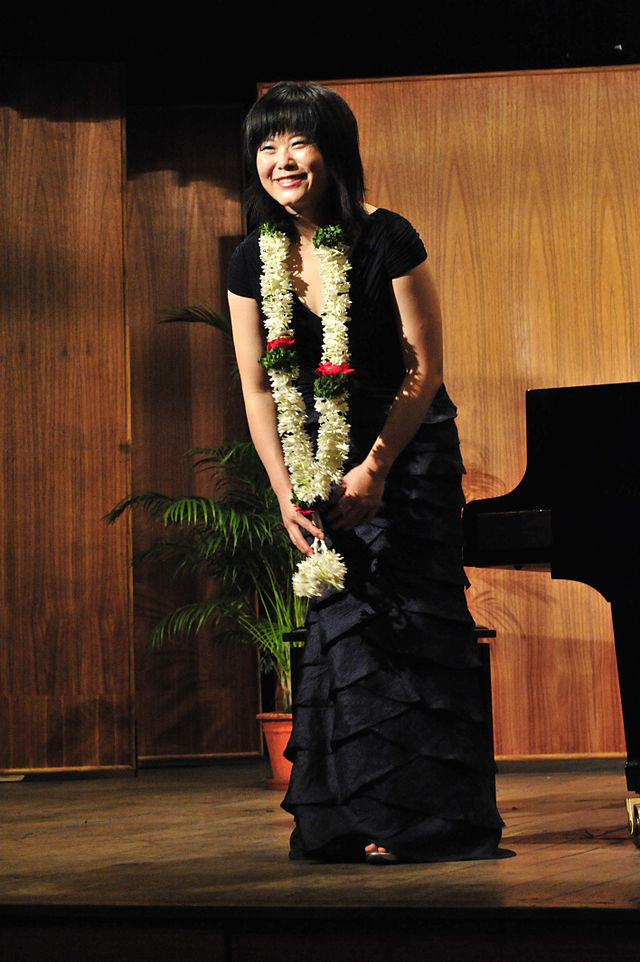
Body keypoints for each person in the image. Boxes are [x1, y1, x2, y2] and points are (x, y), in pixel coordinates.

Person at [227, 80, 509, 863]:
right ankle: (351, 815)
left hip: (404, 452)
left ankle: (426, 819)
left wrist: (377, 469)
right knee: (343, 631)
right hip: (314, 459)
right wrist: (285, 491)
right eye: (266, 145)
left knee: (409, 623)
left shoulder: (387, 236)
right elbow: (256, 384)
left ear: (333, 151)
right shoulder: (254, 258)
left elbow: (423, 368)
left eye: (297, 142)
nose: (281, 160)